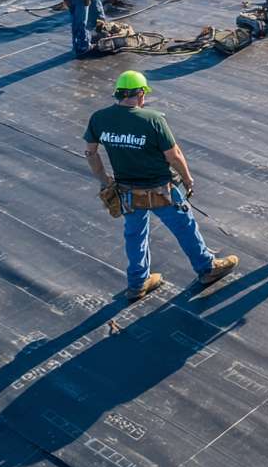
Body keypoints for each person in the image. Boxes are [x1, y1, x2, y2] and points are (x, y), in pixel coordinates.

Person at [84, 70, 239, 301]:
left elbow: (90, 152)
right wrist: (187, 178)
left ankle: (137, 283)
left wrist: (105, 181)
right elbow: (173, 155)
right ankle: (207, 269)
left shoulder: (99, 118)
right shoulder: (153, 120)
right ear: (139, 94)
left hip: (127, 192)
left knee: (135, 235)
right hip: (161, 191)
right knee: (185, 227)